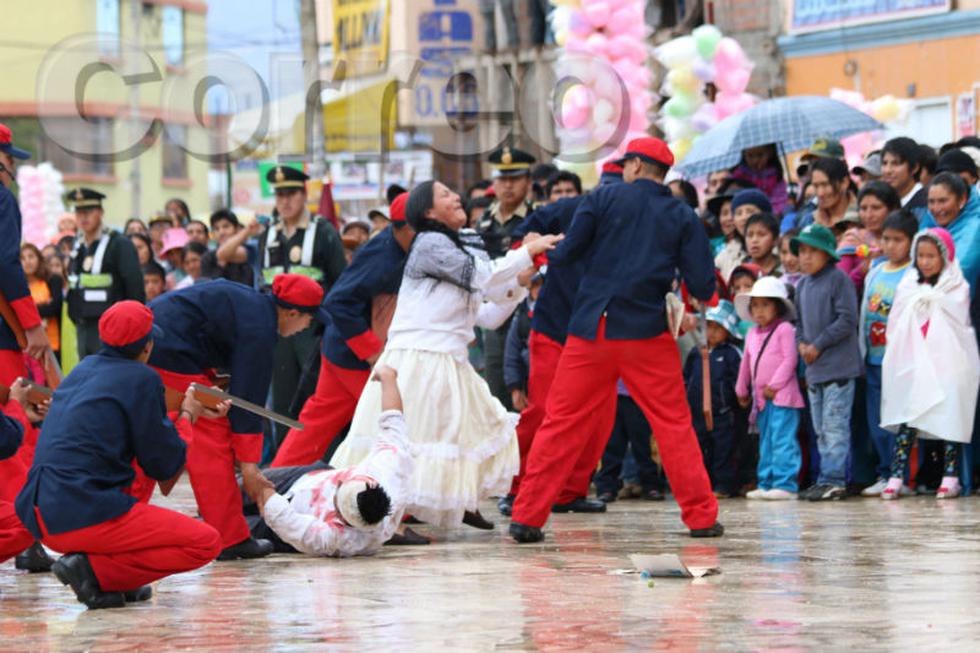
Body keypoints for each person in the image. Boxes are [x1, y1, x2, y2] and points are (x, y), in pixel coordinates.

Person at [509, 138, 722, 543]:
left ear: (636, 166)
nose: (623, 170)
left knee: (560, 423)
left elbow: (567, 255)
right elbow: (702, 285)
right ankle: (701, 517)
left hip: (592, 329)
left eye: (626, 164)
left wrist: (540, 251)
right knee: (673, 425)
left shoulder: (601, 199)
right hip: (647, 333)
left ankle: (527, 516)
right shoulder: (682, 214)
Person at [331, 181, 560, 530]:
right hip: (419, 358)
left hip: (448, 360)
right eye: (444, 195)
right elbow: (484, 276)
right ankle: (390, 523)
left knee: (473, 432)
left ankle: (459, 502)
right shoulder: (430, 243)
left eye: (453, 193)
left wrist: (519, 282)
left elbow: (488, 313)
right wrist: (527, 252)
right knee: (409, 442)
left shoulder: (463, 242)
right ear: (428, 212)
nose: (456, 197)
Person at [14, 301, 224, 610]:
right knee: (205, 542)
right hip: (80, 513)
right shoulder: (143, 378)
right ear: (147, 346)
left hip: (38, 512)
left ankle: (115, 578)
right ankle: (95, 572)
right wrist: (188, 416)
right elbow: (163, 463)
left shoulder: (81, 370)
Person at [148, 274, 325, 560]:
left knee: (151, 427)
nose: (306, 328)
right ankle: (229, 538)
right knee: (210, 432)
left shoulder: (254, 306)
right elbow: (248, 403)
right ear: (292, 313)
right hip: (167, 348)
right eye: (309, 320)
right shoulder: (260, 329)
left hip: (157, 340)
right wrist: (250, 468)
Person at [497, 162, 626, 517]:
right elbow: (524, 232)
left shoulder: (640, 222)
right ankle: (516, 487)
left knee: (599, 417)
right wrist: (531, 247)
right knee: (542, 411)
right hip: (555, 328)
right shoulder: (572, 209)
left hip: (603, 333)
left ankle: (570, 491)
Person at [271, 193, 414, 468]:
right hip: (355, 353)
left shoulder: (398, 247)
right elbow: (338, 301)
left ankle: (275, 479)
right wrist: (372, 353)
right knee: (398, 421)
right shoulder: (383, 254)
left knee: (315, 424)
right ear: (408, 226)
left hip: (343, 348)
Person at [242, 365, 420, 556]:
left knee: (233, 529)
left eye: (337, 499)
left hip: (283, 521)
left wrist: (262, 489)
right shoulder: (387, 472)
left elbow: (284, 518)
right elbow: (393, 422)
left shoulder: (338, 540)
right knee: (230, 486)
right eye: (342, 486)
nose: (339, 485)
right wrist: (388, 378)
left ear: (345, 520)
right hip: (305, 478)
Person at [880, 228, 979, 499]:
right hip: (913, 364)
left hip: (947, 364)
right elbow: (897, 322)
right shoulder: (907, 286)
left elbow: (958, 325)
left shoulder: (957, 287)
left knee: (949, 419)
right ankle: (896, 475)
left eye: (931, 256)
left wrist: (932, 301)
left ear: (944, 258)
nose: (924, 262)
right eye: (920, 256)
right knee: (907, 420)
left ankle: (950, 476)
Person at [259, 165, 346, 446]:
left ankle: (326, 461)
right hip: (279, 330)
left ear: (304, 194)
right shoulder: (268, 234)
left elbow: (340, 281)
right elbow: (262, 281)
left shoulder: (323, 231)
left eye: (291, 194)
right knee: (282, 402)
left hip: (313, 330)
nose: (285, 201)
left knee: (318, 398)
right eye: (279, 195)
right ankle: (286, 462)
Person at [791, 224, 862, 501]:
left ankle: (835, 479)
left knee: (835, 427)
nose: (806, 257)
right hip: (815, 370)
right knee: (821, 429)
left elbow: (847, 319)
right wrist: (801, 344)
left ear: (827, 253)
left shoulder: (838, 279)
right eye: (802, 251)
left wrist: (818, 344)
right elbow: (798, 323)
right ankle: (825, 478)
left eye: (813, 251)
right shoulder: (801, 285)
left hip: (838, 368)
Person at [859, 209, 917, 497]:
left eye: (898, 239)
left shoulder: (914, 274)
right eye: (886, 238)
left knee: (901, 420)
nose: (891, 245)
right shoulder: (876, 271)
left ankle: (901, 475)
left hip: (900, 362)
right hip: (873, 358)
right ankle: (885, 472)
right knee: (877, 422)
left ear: (911, 241)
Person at [478, 147, 538, 410]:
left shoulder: (538, 217)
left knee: (531, 395)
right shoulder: (483, 222)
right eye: (502, 179)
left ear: (528, 181)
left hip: (528, 315)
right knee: (496, 395)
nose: (508, 185)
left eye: (515, 178)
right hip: (494, 314)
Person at [735, 278, 804, 500]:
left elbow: (790, 360)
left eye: (766, 304)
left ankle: (786, 484)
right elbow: (746, 362)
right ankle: (765, 482)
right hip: (761, 400)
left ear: (778, 307)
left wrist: (774, 385)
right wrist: (741, 389)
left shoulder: (785, 329)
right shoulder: (751, 333)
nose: (759, 310)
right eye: (755, 305)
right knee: (765, 441)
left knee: (782, 440)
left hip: (783, 397)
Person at [64, 188, 145, 359]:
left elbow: (134, 288)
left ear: (101, 212)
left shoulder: (119, 244)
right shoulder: (78, 245)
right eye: (79, 212)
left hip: (112, 328)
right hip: (83, 325)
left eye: (89, 211)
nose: (83, 217)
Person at [0, 123, 46, 386]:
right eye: (9, 159)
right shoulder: (3, 199)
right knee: (12, 405)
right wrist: (32, 325)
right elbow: (5, 263)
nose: (12, 167)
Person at [683, 300, 743, 498]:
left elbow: (739, 380)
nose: (713, 332)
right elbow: (686, 377)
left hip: (723, 413)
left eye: (719, 327)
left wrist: (736, 400)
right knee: (701, 448)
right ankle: (703, 485)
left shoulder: (731, 354)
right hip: (697, 412)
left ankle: (724, 486)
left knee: (723, 449)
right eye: (709, 326)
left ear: (728, 331)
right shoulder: (696, 353)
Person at [920, 172, 979, 297]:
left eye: (943, 201)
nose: (936, 208)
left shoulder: (975, 227)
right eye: (931, 202)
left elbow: (962, 270)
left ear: (962, 199)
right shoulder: (929, 220)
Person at [716, 189, 770, 281]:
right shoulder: (725, 256)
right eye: (739, 213)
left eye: (750, 211)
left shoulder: (780, 249)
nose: (744, 217)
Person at [20, 244, 62, 358]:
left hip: (53, 343)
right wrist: (43, 306)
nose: (27, 261)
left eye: (31, 256)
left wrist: (28, 309)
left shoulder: (52, 280)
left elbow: (54, 308)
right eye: (22, 258)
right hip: (27, 346)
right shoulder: (18, 288)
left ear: (39, 258)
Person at [798, 157, 858, 230]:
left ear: (844, 182)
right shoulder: (809, 221)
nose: (820, 193)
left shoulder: (863, 215)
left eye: (825, 185)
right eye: (816, 186)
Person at [729, 144, 788, 215]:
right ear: (744, 154)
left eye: (760, 155)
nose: (755, 160)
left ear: (770, 153)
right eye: (750, 156)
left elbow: (779, 201)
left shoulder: (777, 177)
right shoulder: (737, 176)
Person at [202, 209, 255, 286]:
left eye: (226, 226)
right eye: (216, 229)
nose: (221, 232)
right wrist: (221, 266)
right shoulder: (208, 257)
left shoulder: (249, 251)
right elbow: (208, 286)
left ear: (236, 229)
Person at [881, 137, 928, 218]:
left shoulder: (925, 205)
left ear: (915, 168)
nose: (888, 170)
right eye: (884, 163)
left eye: (896, 163)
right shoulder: (886, 203)